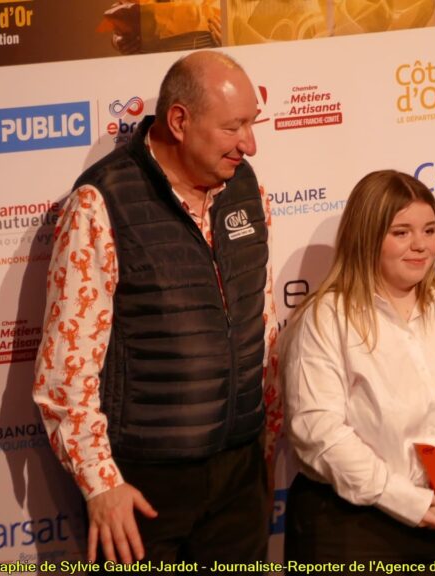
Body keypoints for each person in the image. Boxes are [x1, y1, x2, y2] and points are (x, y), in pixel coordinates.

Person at [33, 50, 278, 570]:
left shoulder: (246, 187)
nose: (249, 144)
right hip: (141, 486)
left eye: (251, 124)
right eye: (233, 127)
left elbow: (262, 319)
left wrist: (267, 438)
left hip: (240, 474)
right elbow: (65, 367)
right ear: (180, 121)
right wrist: (101, 483)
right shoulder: (101, 201)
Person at [282, 170, 435, 573]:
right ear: (367, 237)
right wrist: (406, 500)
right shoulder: (328, 317)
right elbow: (317, 429)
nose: (421, 245)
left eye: (429, 230)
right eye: (401, 232)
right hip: (352, 529)